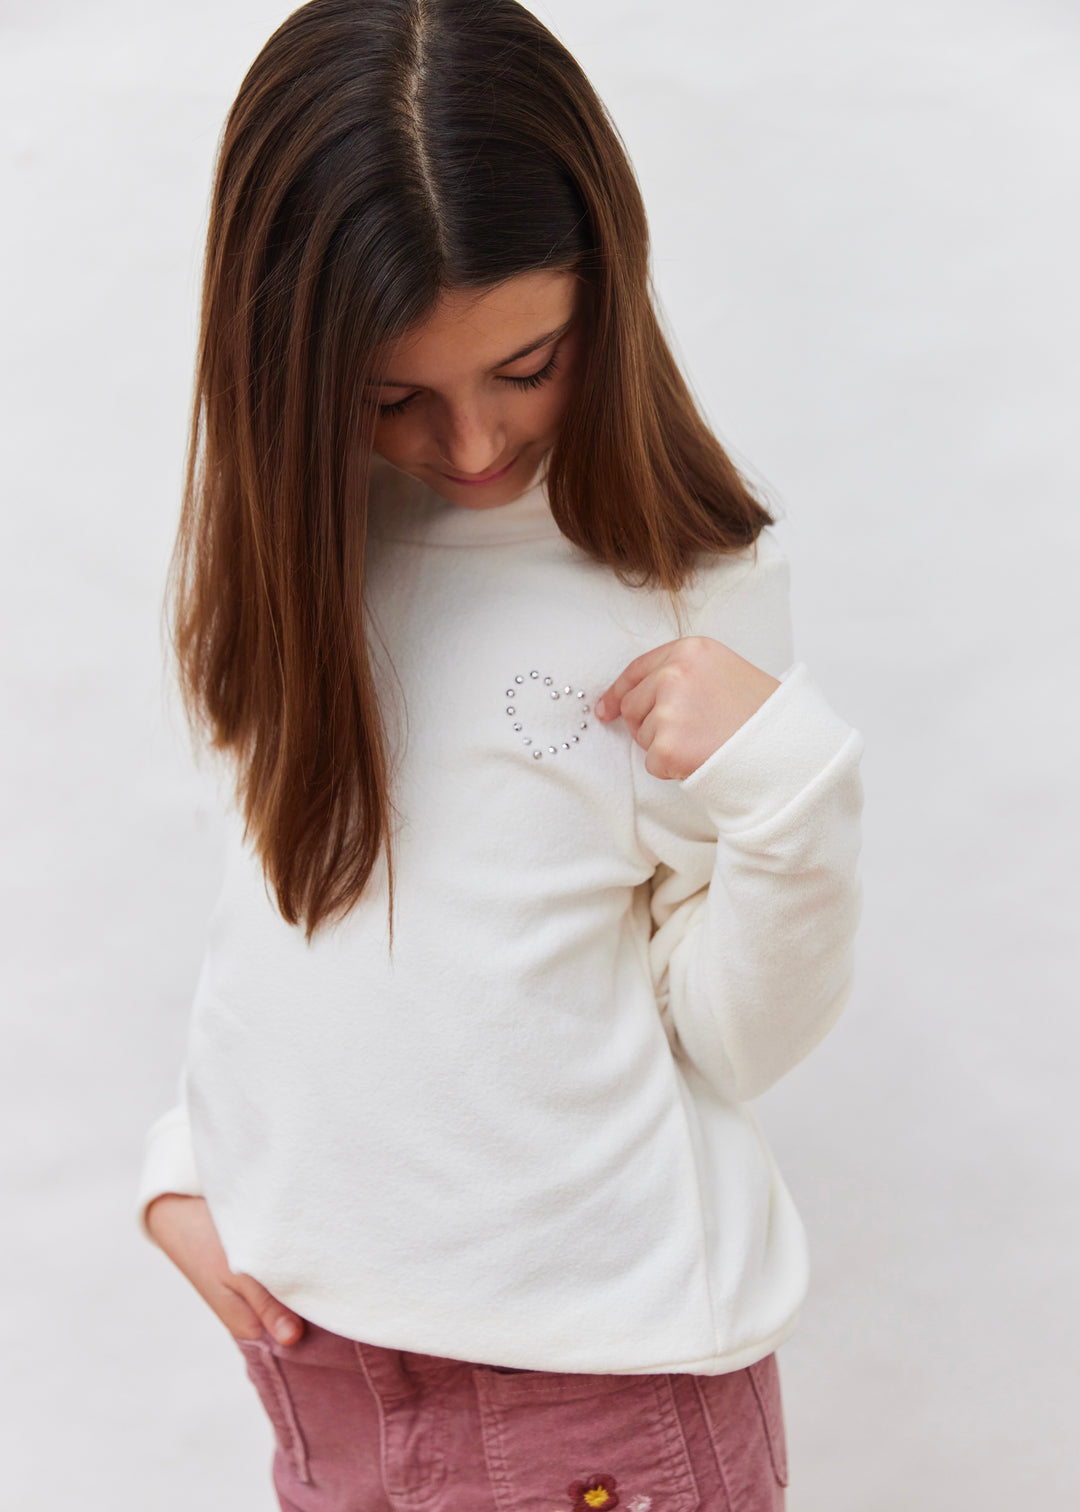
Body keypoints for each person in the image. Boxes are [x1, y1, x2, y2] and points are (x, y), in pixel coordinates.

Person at [138, 1, 865, 1507]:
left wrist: (790, 792)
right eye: (391, 397)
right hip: (328, 1373)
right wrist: (188, 1162)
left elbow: (729, 1039)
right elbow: (288, 903)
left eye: (525, 365)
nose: (470, 450)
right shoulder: (304, 546)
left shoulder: (684, 581)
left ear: (608, 286)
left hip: (595, 1408)